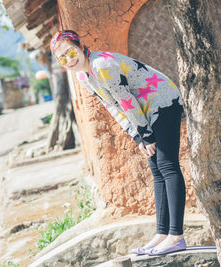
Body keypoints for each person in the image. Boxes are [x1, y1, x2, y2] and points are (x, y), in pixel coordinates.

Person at [50, 30, 187, 256]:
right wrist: (137, 136)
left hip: (162, 101)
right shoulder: (83, 77)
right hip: (143, 110)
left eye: (71, 52)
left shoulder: (101, 65)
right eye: (62, 58)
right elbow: (113, 106)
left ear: (80, 46)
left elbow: (128, 102)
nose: (69, 60)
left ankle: (176, 236)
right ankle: (162, 234)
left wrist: (147, 135)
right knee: (156, 169)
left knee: (167, 165)